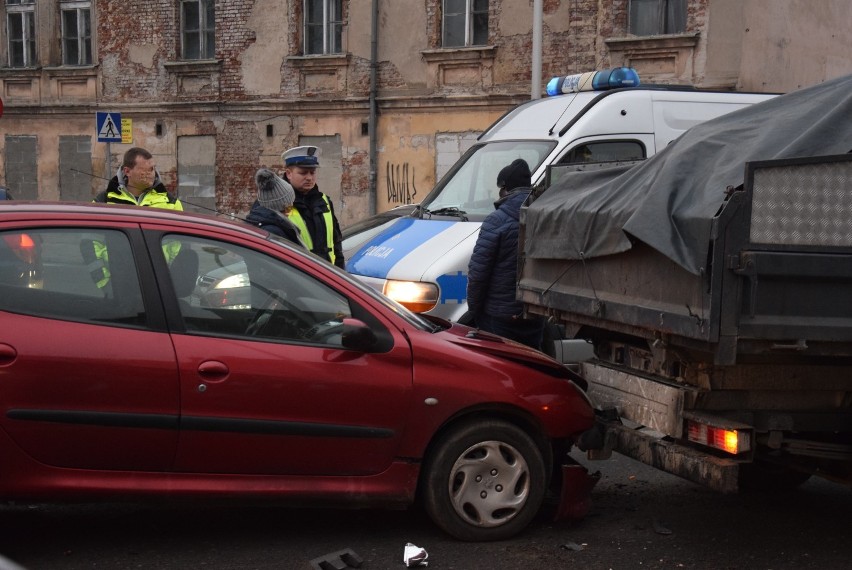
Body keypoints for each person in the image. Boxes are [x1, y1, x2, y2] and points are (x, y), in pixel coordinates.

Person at [466, 158, 545, 350]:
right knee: (532, 368)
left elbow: (478, 275)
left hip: (500, 318)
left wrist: (474, 312)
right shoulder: (544, 216)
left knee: (502, 371)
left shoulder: (497, 221)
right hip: (533, 315)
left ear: (505, 189)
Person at [281, 145, 345, 268]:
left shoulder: (325, 201)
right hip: (297, 277)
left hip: (327, 275)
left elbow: (336, 245)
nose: (309, 178)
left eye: (312, 172)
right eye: (303, 173)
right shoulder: (276, 204)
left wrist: (341, 273)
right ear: (289, 174)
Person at [94, 147, 182, 210]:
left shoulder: (171, 203)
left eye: (153, 169)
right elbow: (92, 234)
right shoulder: (103, 201)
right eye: (146, 170)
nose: (152, 174)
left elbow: (179, 235)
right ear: (127, 172)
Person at [246, 168, 306, 248]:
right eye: (290, 205)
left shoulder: (261, 224)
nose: (291, 210)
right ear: (283, 206)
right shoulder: (274, 233)